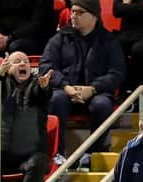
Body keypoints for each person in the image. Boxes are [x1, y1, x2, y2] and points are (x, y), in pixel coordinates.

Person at [39, 0, 126, 170]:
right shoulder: (60, 39)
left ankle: (92, 153)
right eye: (72, 12)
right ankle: (58, 154)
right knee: (56, 98)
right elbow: (46, 67)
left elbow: (116, 73)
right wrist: (66, 86)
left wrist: (93, 88)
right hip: (65, 91)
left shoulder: (109, 41)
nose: (73, 16)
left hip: (96, 93)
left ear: (94, 16)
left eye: (79, 13)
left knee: (102, 104)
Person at [0, 51, 52, 182]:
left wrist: (44, 87)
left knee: (39, 162)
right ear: (8, 67)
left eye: (26, 62)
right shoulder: (1, 86)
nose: (23, 64)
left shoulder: (37, 86)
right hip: (3, 153)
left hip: (29, 154)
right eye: (17, 61)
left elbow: (42, 94)